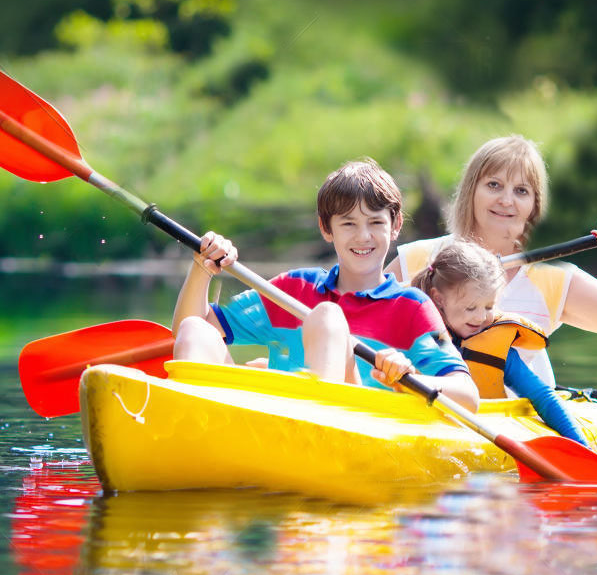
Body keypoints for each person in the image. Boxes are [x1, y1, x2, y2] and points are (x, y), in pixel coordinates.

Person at [171, 159, 482, 410]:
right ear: (326, 228)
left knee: (327, 318)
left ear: (396, 225)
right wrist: (203, 267)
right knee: (194, 330)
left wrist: (411, 377)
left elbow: (468, 394)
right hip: (272, 426)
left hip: (350, 431)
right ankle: (195, 434)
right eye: (348, 223)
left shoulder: (412, 307)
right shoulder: (293, 287)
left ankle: (314, 422)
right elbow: (192, 331)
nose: (363, 237)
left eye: (376, 222)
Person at [389, 135, 597, 387]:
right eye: (494, 185)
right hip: (426, 404)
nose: (506, 200)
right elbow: (356, 312)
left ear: (534, 205)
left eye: (521, 191)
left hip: (518, 419)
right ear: (471, 191)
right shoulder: (419, 258)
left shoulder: (552, 277)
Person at [412, 237, 589, 445]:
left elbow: (542, 397)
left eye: (489, 307)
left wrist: (581, 446)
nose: (480, 318)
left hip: (479, 435)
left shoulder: (498, 349)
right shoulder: (412, 333)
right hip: (418, 425)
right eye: (471, 308)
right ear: (439, 298)